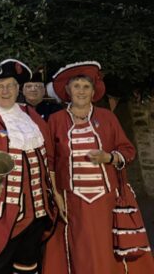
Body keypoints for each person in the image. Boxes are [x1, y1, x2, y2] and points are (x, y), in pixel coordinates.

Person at [42, 61, 154, 274]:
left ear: (93, 91)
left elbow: (128, 151)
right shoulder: (55, 120)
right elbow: (49, 160)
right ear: (67, 90)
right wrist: (56, 195)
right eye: (76, 86)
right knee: (80, 252)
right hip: (72, 201)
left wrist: (109, 157)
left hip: (106, 200)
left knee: (104, 252)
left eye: (86, 86)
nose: (81, 91)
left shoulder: (108, 117)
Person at [0, 59, 56, 274]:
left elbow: (49, 155)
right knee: (0, 266)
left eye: (10, 85)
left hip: (37, 210)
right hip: (4, 213)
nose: (5, 91)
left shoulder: (31, 114)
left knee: (28, 266)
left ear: (18, 88)